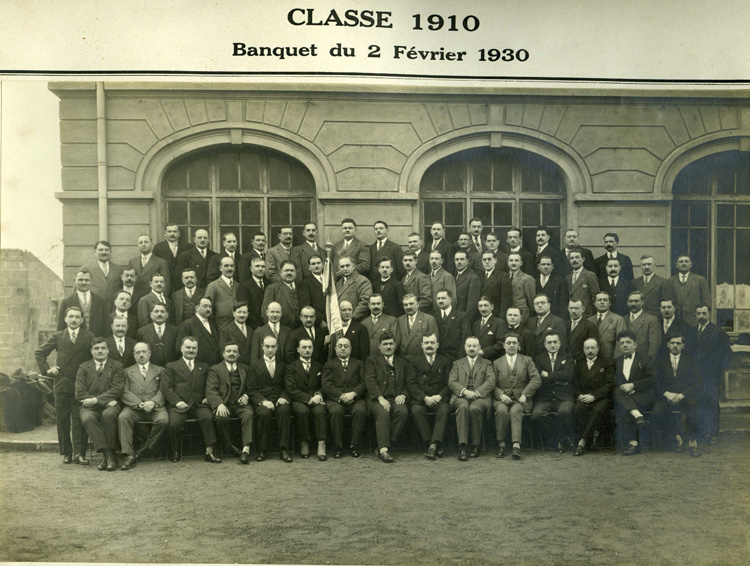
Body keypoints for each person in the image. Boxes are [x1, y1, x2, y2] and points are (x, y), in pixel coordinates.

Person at [35, 306, 94, 465]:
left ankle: (79, 453)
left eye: (77, 317)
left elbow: (94, 359)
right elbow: (40, 353)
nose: (74, 319)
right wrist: (47, 370)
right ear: (65, 319)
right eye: (71, 316)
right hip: (62, 384)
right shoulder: (58, 336)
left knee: (79, 419)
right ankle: (66, 453)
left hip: (81, 385)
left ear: (82, 320)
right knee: (62, 420)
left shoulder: (88, 336)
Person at [160, 336, 220, 463]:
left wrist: (207, 398)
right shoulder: (172, 366)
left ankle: (209, 451)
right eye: (188, 347)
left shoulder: (204, 366)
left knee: (208, 417)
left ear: (197, 349)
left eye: (194, 348)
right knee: (174, 423)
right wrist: (177, 402)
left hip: (199, 404)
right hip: (179, 404)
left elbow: (209, 385)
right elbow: (166, 387)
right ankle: (174, 451)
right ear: (181, 348)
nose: (191, 350)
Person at [75, 337, 125, 471]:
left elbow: (117, 389)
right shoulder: (84, 367)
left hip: (110, 405)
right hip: (90, 406)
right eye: (96, 349)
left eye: (103, 348)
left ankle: (107, 458)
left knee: (109, 415)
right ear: (91, 351)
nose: (100, 351)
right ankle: (108, 455)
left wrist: (96, 400)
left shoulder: (117, 366)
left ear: (108, 350)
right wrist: (99, 402)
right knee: (88, 418)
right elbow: (80, 393)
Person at [118, 342, 168, 470]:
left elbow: (165, 389)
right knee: (123, 417)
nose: (141, 355)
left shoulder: (160, 370)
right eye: (138, 352)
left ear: (150, 353)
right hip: (134, 407)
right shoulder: (127, 371)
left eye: (144, 352)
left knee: (163, 420)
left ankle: (144, 449)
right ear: (134, 355)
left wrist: (153, 402)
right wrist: (138, 403)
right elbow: (124, 390)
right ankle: (128, 455)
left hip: (155, 406)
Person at [364, 332, 414, 463]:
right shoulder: (371, 361)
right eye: (385, 344)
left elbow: (410, 382)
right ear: (379, 346)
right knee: (383, 412)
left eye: (391, 343)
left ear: (395, 345)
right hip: (377, 398)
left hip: (396, 397)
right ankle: (383, 450)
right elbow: (370, 381)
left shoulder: (403, 362)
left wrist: (403, 394)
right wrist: (380, 398)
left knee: (402, 411)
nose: (388, 347)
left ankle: (389, 441)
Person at [493, 333, 541, 460]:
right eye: (508, 343)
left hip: (521, 399)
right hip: (502, 399)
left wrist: (525, 394)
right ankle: (501, 444)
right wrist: (501, 395)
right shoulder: (497, 363)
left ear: (519, 346)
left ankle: (516, 445)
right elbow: (491, 383)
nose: (511, 345)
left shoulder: (527, 360)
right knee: (502, 411)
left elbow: (536, 379)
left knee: (515, 410)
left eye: (514, 343)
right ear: (504, 346)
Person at [206, 342, 255, 464]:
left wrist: (246, 395)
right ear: (223, 354)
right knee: (220, 417)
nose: (231, 354)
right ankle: (228, 446)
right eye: (228, 351)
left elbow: (251, 387)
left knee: (248, 415)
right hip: (224, 403)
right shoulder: (215, 369)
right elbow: (211, 389)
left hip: (240, 404)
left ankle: (245, 450)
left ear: (238, 354)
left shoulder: (245, 368)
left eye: (234, 351)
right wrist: (219, 404)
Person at [653, 334, 701, 456]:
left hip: (684, 396)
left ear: (683, 346)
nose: (675, 345)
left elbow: (696, 383)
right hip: (666, 396)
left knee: (694, 407)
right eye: (672, 343)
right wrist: (667, 394)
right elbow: (655, 382)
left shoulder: (690, 361)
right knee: (657, 412)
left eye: (678, 343)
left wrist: (681, 395)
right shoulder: (659, 362)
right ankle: (676, 436)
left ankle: (692, 441)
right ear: (668, 345)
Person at [449, 336, 495, 460]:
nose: (471, 348)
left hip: (480, 397)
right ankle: (462, 447)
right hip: (461, 396)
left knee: (474, 408)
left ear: (479, 348)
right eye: (469, 346)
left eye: (474, 346)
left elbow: (491, 381)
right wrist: (465, 392)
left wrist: (477, 393)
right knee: (463, 407)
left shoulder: (487, 363)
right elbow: (452, 382)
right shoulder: (457, 363)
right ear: (465, 347)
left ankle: (476, 445)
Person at [407, 333, 451, 460]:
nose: (429, 345)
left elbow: (449, 383)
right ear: (421, 345)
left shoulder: (445, 361)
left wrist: (439, 396)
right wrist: (424, 398)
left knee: (444, 410)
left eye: (432, 343)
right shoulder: (414, 361)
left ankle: (433, 445)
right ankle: (431, 444)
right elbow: (411, 384)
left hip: (439, 397)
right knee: (416, 411)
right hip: (421, 398)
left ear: (437, 345)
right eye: (426, 343)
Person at [248, 335, 292, 462]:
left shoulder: (284, 366)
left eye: (273, 346)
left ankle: (284, 449)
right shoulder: (254, 365)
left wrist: (284, 397)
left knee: (284, 411)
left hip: (279, 399)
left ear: (277, 347)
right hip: (263, 400)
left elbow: (288, 386)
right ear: (262, 347)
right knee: (263, 413)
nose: (270, 349)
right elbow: (251, 388)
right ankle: (262, 450)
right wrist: (263, 401)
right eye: (267, 346)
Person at [321, 336, 367, 458]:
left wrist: (353, 393)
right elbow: (326, 385)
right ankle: (338, 447)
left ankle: (354, 446)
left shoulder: (359, 363)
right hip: (335, 399)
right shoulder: (329, 364)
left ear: (350, 349)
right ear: (335, 349)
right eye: (340, 346)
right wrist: (341, 396)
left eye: (346, 346)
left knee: (361, 411)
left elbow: (364, 383)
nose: (343, 349)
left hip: (354, 398)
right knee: (335, 412)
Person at [693, 304, 732, 444]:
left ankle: (714, 433)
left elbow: (727, 353)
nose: (701, 316)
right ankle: (702, 433)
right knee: (699, 403)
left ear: (710, 314)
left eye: (704, 313)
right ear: (695, 315)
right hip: (696, 375)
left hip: (711, 375)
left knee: (711, 403)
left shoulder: (717, 332)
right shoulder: (692, 331)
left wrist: (719, 370)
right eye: (698, 313)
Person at [613, 330, 656, 456]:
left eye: (628, 342)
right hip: (625, 397)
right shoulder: (616, 361)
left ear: (635, 344)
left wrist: (633, 385)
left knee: (623, 407)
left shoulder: (645, 359)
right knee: (618, 394)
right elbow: (613, 381)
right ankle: (638, 418)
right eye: (622, 343)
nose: (625, 345)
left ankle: (633, 443)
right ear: (619, 346)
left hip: (643, 396)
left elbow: (653, 379)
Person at [285, 336, 328, 461]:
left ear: (313, 349)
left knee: (320, 411)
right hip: (300, 399)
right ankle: (304, 442)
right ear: (298, 349)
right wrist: (309, 398)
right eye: (304, 347)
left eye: (309, 347)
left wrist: (319, 395)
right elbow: (291, 389)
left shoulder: (319, 366)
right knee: (302, 412)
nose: (307, 350)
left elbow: (324, 385)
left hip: (317, 398)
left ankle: (321, 443)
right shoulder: (291, 368)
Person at [532, 331, 575, 451]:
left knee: (564, 412)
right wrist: (559, 378)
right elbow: (538, 377)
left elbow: (568, 375)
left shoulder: (567, 357)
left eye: (555, 342)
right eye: (549, 342)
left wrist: (549, 375)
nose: (552, 345)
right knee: (537, 414)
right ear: (545, 344)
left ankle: (558, 439)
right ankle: (560, 438)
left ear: (560, 343)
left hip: (564, 397)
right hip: (545, 397)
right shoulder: (538, 359)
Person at [572, 338, 615, 456]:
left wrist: (595, 396)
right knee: (577, 409)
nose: (590, 351)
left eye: (593, 348)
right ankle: (591, 439)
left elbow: (611, 383)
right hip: (584, 397)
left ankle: (582, 442)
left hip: (602, 398)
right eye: (587, 348)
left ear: (598, 349)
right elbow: (574, 384)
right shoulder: (579, 365)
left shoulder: (606, 363)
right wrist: (579, 395)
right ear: (583, 350)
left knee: (597, 410)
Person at [57, 269, 108, 337]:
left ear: (91, 281)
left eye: (87, 280)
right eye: (80, 280)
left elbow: (106, 326)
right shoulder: (66, 302)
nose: (84, 283)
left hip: (97, 343)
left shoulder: (101, 301)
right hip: (75, 343)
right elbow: (60, 327)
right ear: (75, 281)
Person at [666, 254, 711, 327]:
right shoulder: (670, 281)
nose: (684, 264)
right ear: (676, 265)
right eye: (681, 262)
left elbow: (707, 302)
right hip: (676, 322)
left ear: (691, 264)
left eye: (686, 261)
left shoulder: (700, 280)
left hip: (694, 321)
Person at [178, 296, 221, 366]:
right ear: (197, 308)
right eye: (205, 306)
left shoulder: (213, 324)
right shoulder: (188, 324)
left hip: (214, 366)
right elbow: (179, 349)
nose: (208, 309)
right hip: (198, 367)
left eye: (210, 307)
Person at [136, 302, 179, 367]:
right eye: (156, 311)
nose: (159, 314)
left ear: (167, 315)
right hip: (150, 371)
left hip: (170, 370)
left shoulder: (176, 331)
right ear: (151, 314)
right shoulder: (142, 332)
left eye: (162, 311)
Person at [261, 260, 301, 329]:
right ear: (280, 273)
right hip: (281, 330)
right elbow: (265, 313)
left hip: (299, 329)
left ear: (296, 273)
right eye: (286, 270)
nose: (289, 273)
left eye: (292, 271)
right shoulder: (272, 288)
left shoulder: (301, 287)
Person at [129, 234, 171, 298]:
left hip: (153, 299)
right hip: (135, 300)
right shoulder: (132, 262)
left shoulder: (161, 262)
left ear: (152, 244)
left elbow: (166, 285)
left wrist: (160, 300)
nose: (143, 244)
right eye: (141, 242)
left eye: (146, 242)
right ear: (138, 246)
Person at [433, 289, 469, 364]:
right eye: (438, 298)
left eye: (443, 298)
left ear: (450, 299)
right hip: (439, 359)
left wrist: (460, 359)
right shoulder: (434, 316)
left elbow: (465, 338)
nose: (440, 301)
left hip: (456, 358)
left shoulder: (461, 316)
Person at [589, 291, 626, 362]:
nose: (602, 302)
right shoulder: (589, 320)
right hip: (592, 361)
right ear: (595, 303)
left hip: (610, 361)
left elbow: (620, 344)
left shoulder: (618, 319)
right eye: (599, 300)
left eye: (605, 300)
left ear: (609, 303)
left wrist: (616, 361)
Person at [624, 291, 661, 360]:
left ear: (642, 302)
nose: (633, 304)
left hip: (643, 360)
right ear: (627, 303)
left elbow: (654, 345)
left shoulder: (652, 320)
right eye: (631, 301)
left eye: (636, 301)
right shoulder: (623, 319)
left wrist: (648, 362)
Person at [203, 256, 238, 329]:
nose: (229, 268)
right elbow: (207, 309)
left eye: (231, 266)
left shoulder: (238, 286)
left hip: (236, 327)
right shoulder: (213, 286)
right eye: (226, 266)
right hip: (220, 327)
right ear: (220, 268)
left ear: (234, 268)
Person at [336, 256, 373, 321]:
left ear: (353, 266)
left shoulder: (362, 281)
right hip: (340, 321)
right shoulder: (338, 283)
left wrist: (351, 318)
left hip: (356, 321)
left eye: (347, 266)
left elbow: (365, 302)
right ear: (339, 269)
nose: (345, 269)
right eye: (342, 266)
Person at [566, 247, 600, 317]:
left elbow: (595, 298)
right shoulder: (568, 277)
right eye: (572, 258)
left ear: (583, 259)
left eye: (577, 257)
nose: (574, 260)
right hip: (572, 315)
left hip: (586, 315)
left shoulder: (589, 275)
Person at [236, 257, 269, 329]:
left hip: (268, 325)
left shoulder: (269, 285)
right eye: (257, 266)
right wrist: (258, 326)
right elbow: (245, 309)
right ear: (251, 269)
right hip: (252, 327)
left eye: (263, 266)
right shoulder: (244, 286)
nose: (260, 269)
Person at [219, 302, 253, 366]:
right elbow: (223, 353)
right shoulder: (226, 330)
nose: (242, 315)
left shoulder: (251, 330)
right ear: (234, 313)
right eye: (239, 312)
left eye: (244, 312)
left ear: (248, 314)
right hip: (235, 366)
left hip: (249, 366)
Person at [472, 296, 505, 362]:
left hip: (492, 361)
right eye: (480, 306)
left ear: (492, 306)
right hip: (477, 361)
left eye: (486, 305)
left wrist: (484, 352)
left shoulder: (499, 323)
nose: (483, 309)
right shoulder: (476, 324)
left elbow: (500, 344)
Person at [479, 252, 512, 318]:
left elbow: (505, 301)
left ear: (495, 260)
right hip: (480, 315)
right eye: (484, 260)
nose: (487, 262)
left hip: (495, 316)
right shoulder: (479, 276)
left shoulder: (503, 276)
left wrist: (501, 318)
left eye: (489, 259)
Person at [534, 254, 568, 319]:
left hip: (554, 318)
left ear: (552, 266)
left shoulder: (560, 281)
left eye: (548, 264)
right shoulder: (533, 280)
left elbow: (563, 303)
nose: (546, 267)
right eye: (543, 264)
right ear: (538, 266)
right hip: (537, 317)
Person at [297, 255, 327, 324]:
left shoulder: (328, 280)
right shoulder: (305, 283)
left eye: (318, 263)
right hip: (318, 321)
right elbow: (306, 305)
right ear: (309, 267)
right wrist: (320, 321)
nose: (316, 266)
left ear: (322, 265)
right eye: (313, 264)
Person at [454, 250, 481, 322]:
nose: (459, 262)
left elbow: (472, 306)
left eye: (462, 259)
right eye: (457, 260)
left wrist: (466, 322)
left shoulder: (473, 278)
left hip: (463, 319)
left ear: (468, 261)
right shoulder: (454, 276)